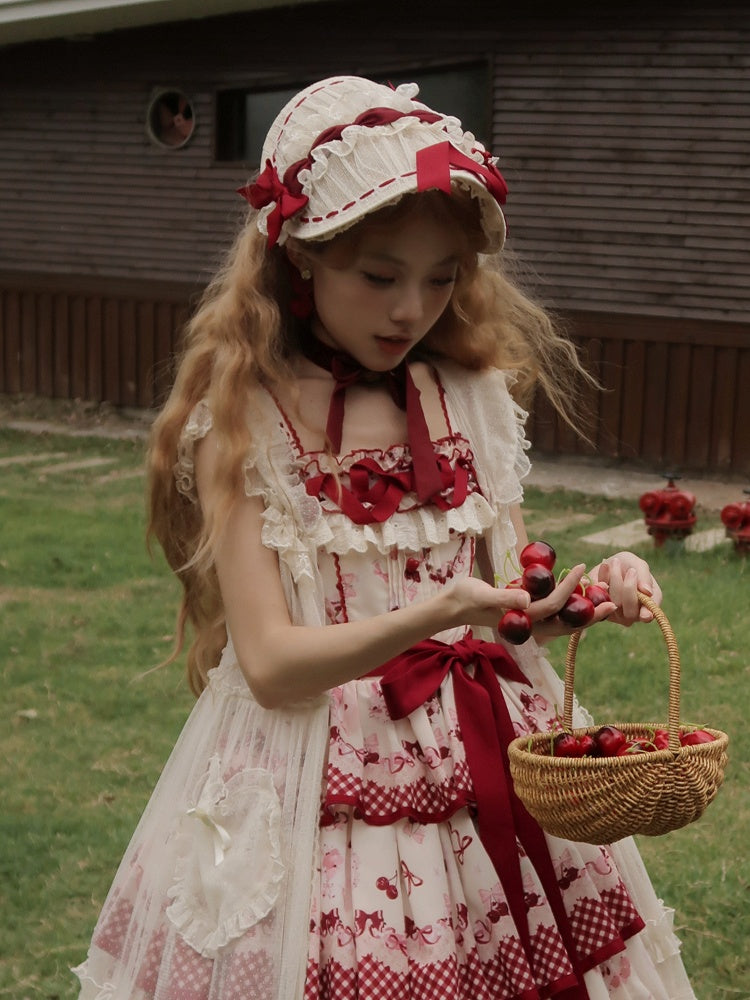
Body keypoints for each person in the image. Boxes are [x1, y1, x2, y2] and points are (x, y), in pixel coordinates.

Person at [74, 76, 696, 1000]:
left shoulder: (469, 400)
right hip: (315, 776)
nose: (412, 310)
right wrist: (435, 615)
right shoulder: (246, 425)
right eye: (379, 276)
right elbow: (275, 665)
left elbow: (503, 613)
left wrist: (573, 603)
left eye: (442, 278)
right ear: (299, 260)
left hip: (485, 761)